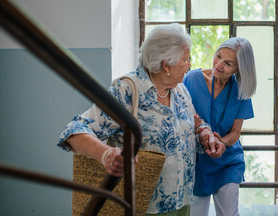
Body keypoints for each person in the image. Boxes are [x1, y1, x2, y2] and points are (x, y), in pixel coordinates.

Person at [57, 23, 225, 216]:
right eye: (186, 59)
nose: (190, 64)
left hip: (182, 201)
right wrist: (106, 154)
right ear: (166, 64)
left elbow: (192, 127)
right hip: (143, 206)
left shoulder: (180, 91)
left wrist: (205, 136)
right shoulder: (127, 90)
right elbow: (74, 130)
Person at [183, 37, 257, 216]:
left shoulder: (241, 89)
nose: (219, 64)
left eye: (228, 63)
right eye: (218, 56)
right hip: (197, 161)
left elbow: (235, 132)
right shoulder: (191, 79)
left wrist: (221, 142)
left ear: (239, 69)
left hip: (228, 160)